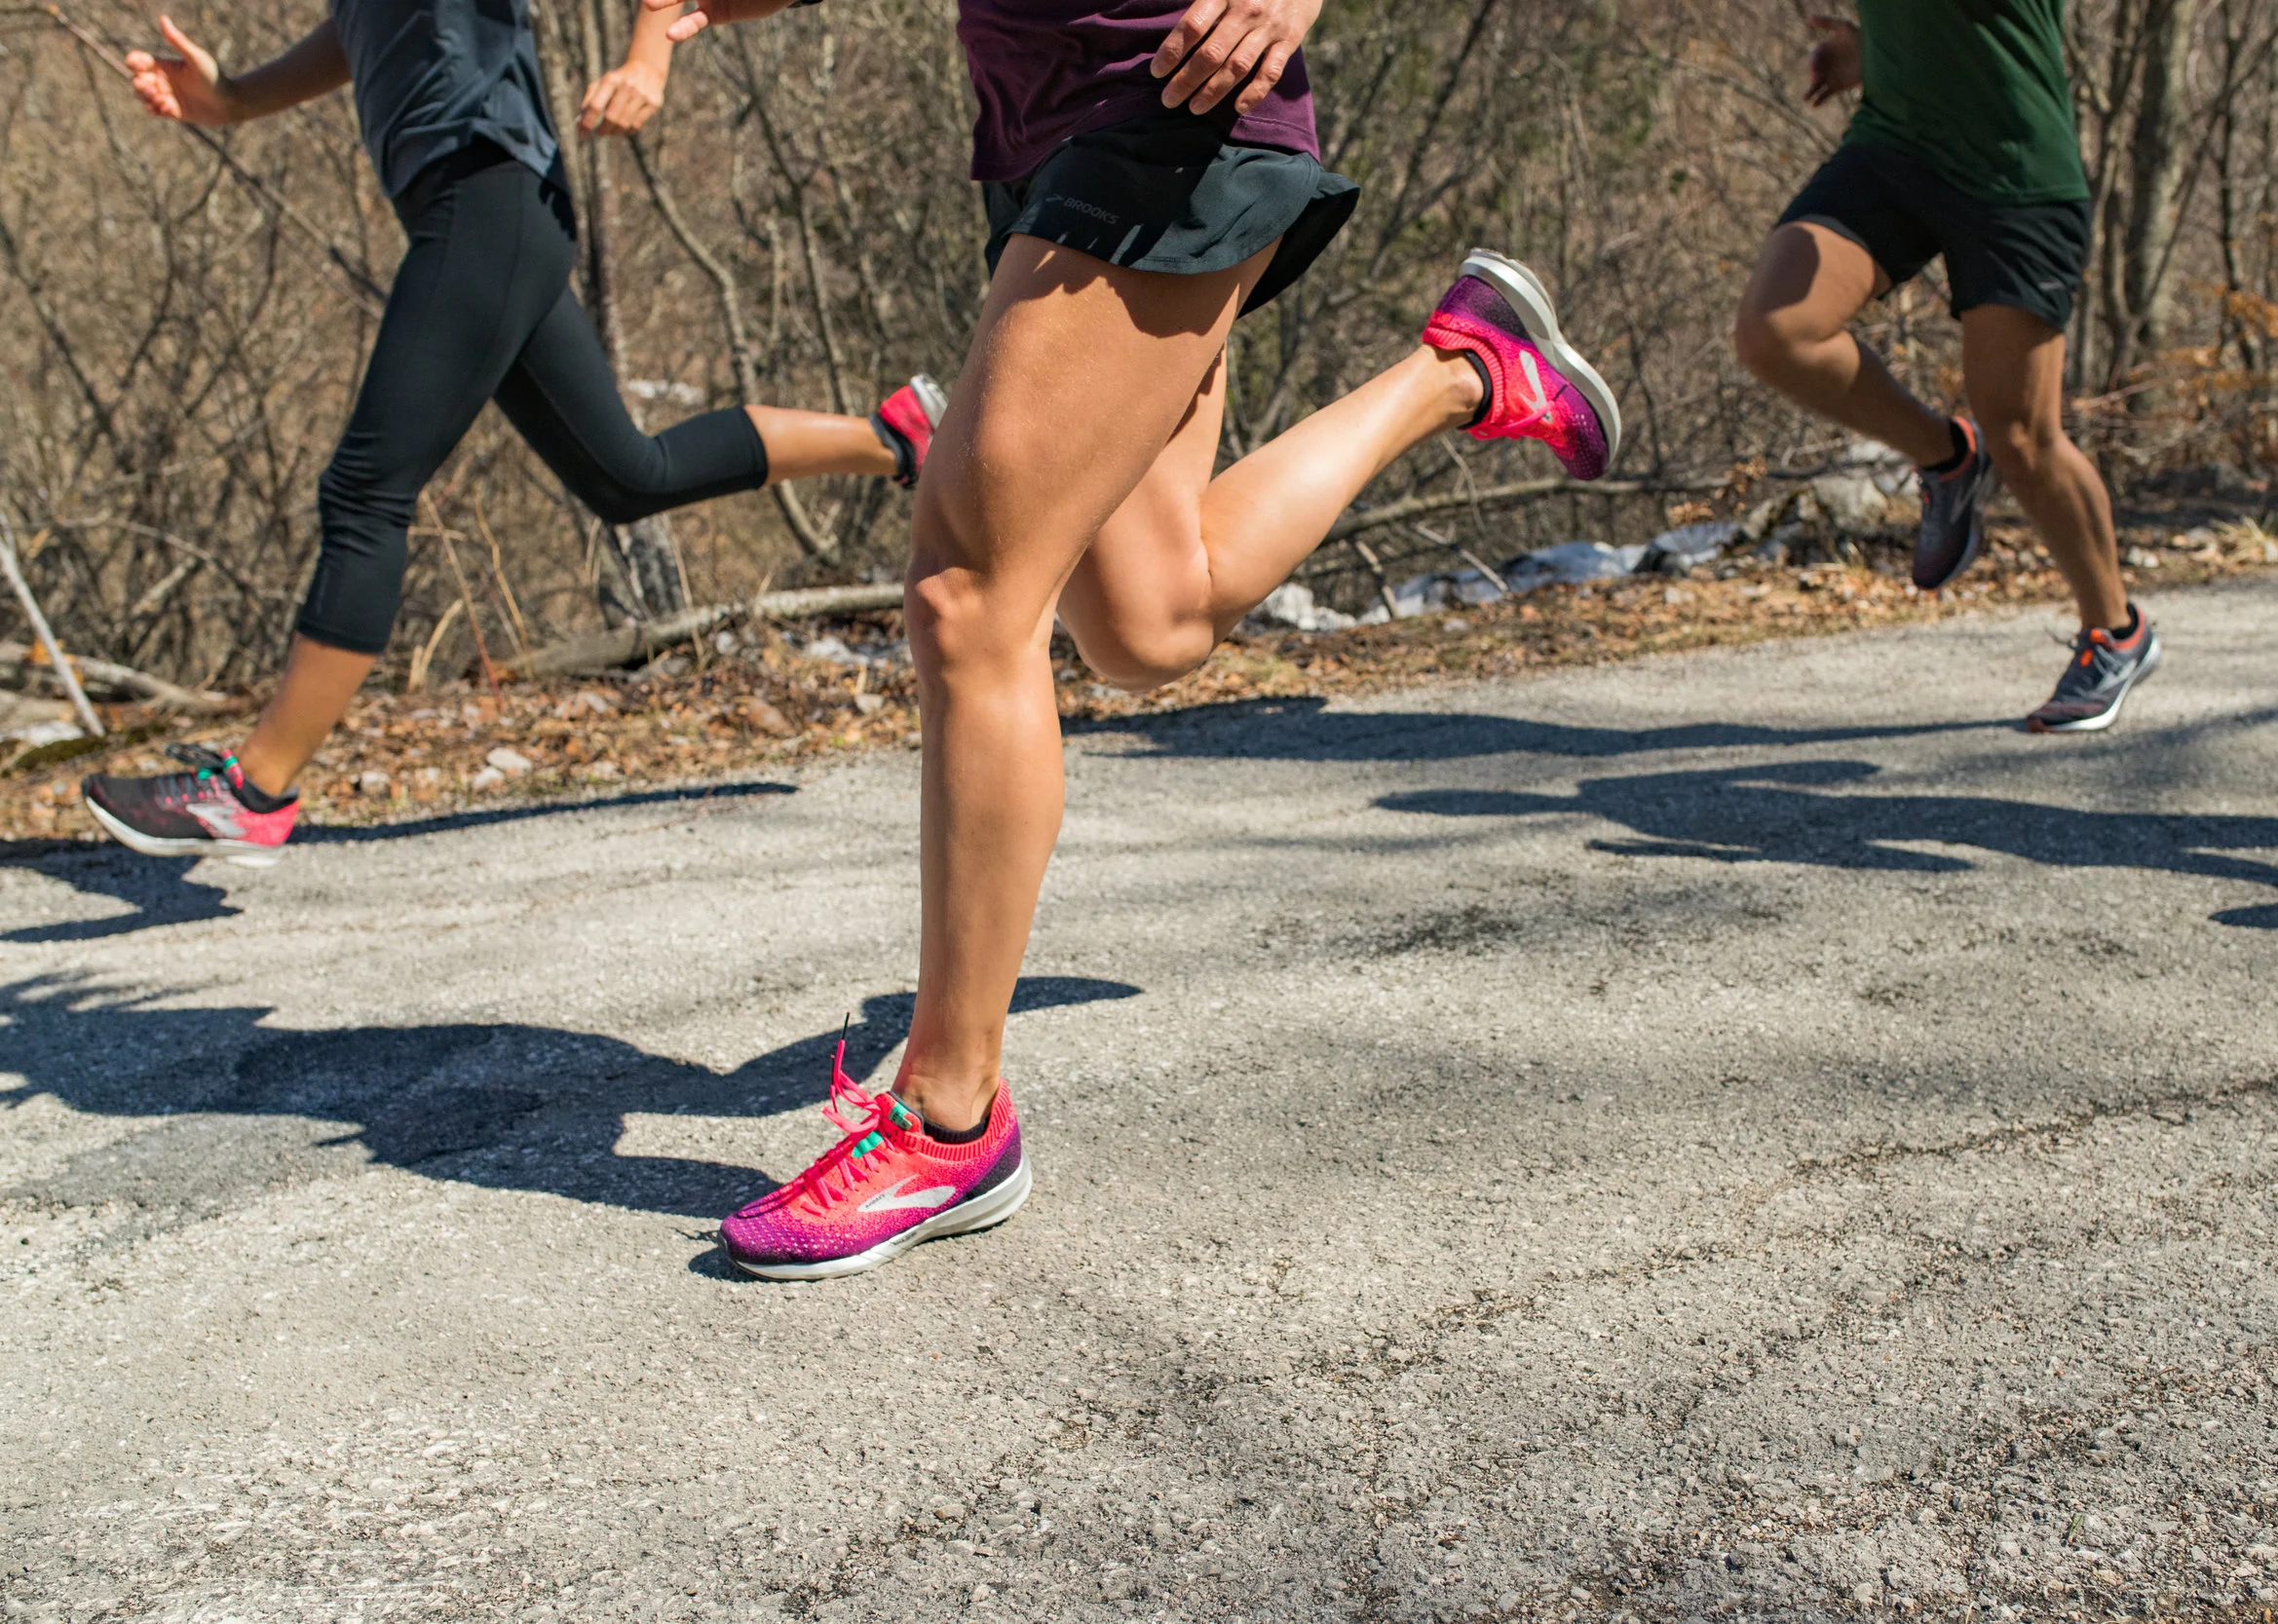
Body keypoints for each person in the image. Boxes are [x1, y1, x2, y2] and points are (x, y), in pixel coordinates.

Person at [657, 0, 1621, 1279]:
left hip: (1160, 103)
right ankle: (1464, 368)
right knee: (1148, 613)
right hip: (1050, 132)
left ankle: (949, 1111)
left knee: (968, 598)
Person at [81, 2, 948, 865]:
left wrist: (649, 58)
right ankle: (899, 436)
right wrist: (231, 98)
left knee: (366, 488)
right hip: (481, 210)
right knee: (627, 477)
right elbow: (363, 28)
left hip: (485, 190)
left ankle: (254, 790)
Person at [1733, 4, 2160, 733]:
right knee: (1777, 332)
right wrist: (1882, 50)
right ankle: (1947, 457)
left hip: (2014, 175)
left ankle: (2116, 631)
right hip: (1897, 148)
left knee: (2024, 438)